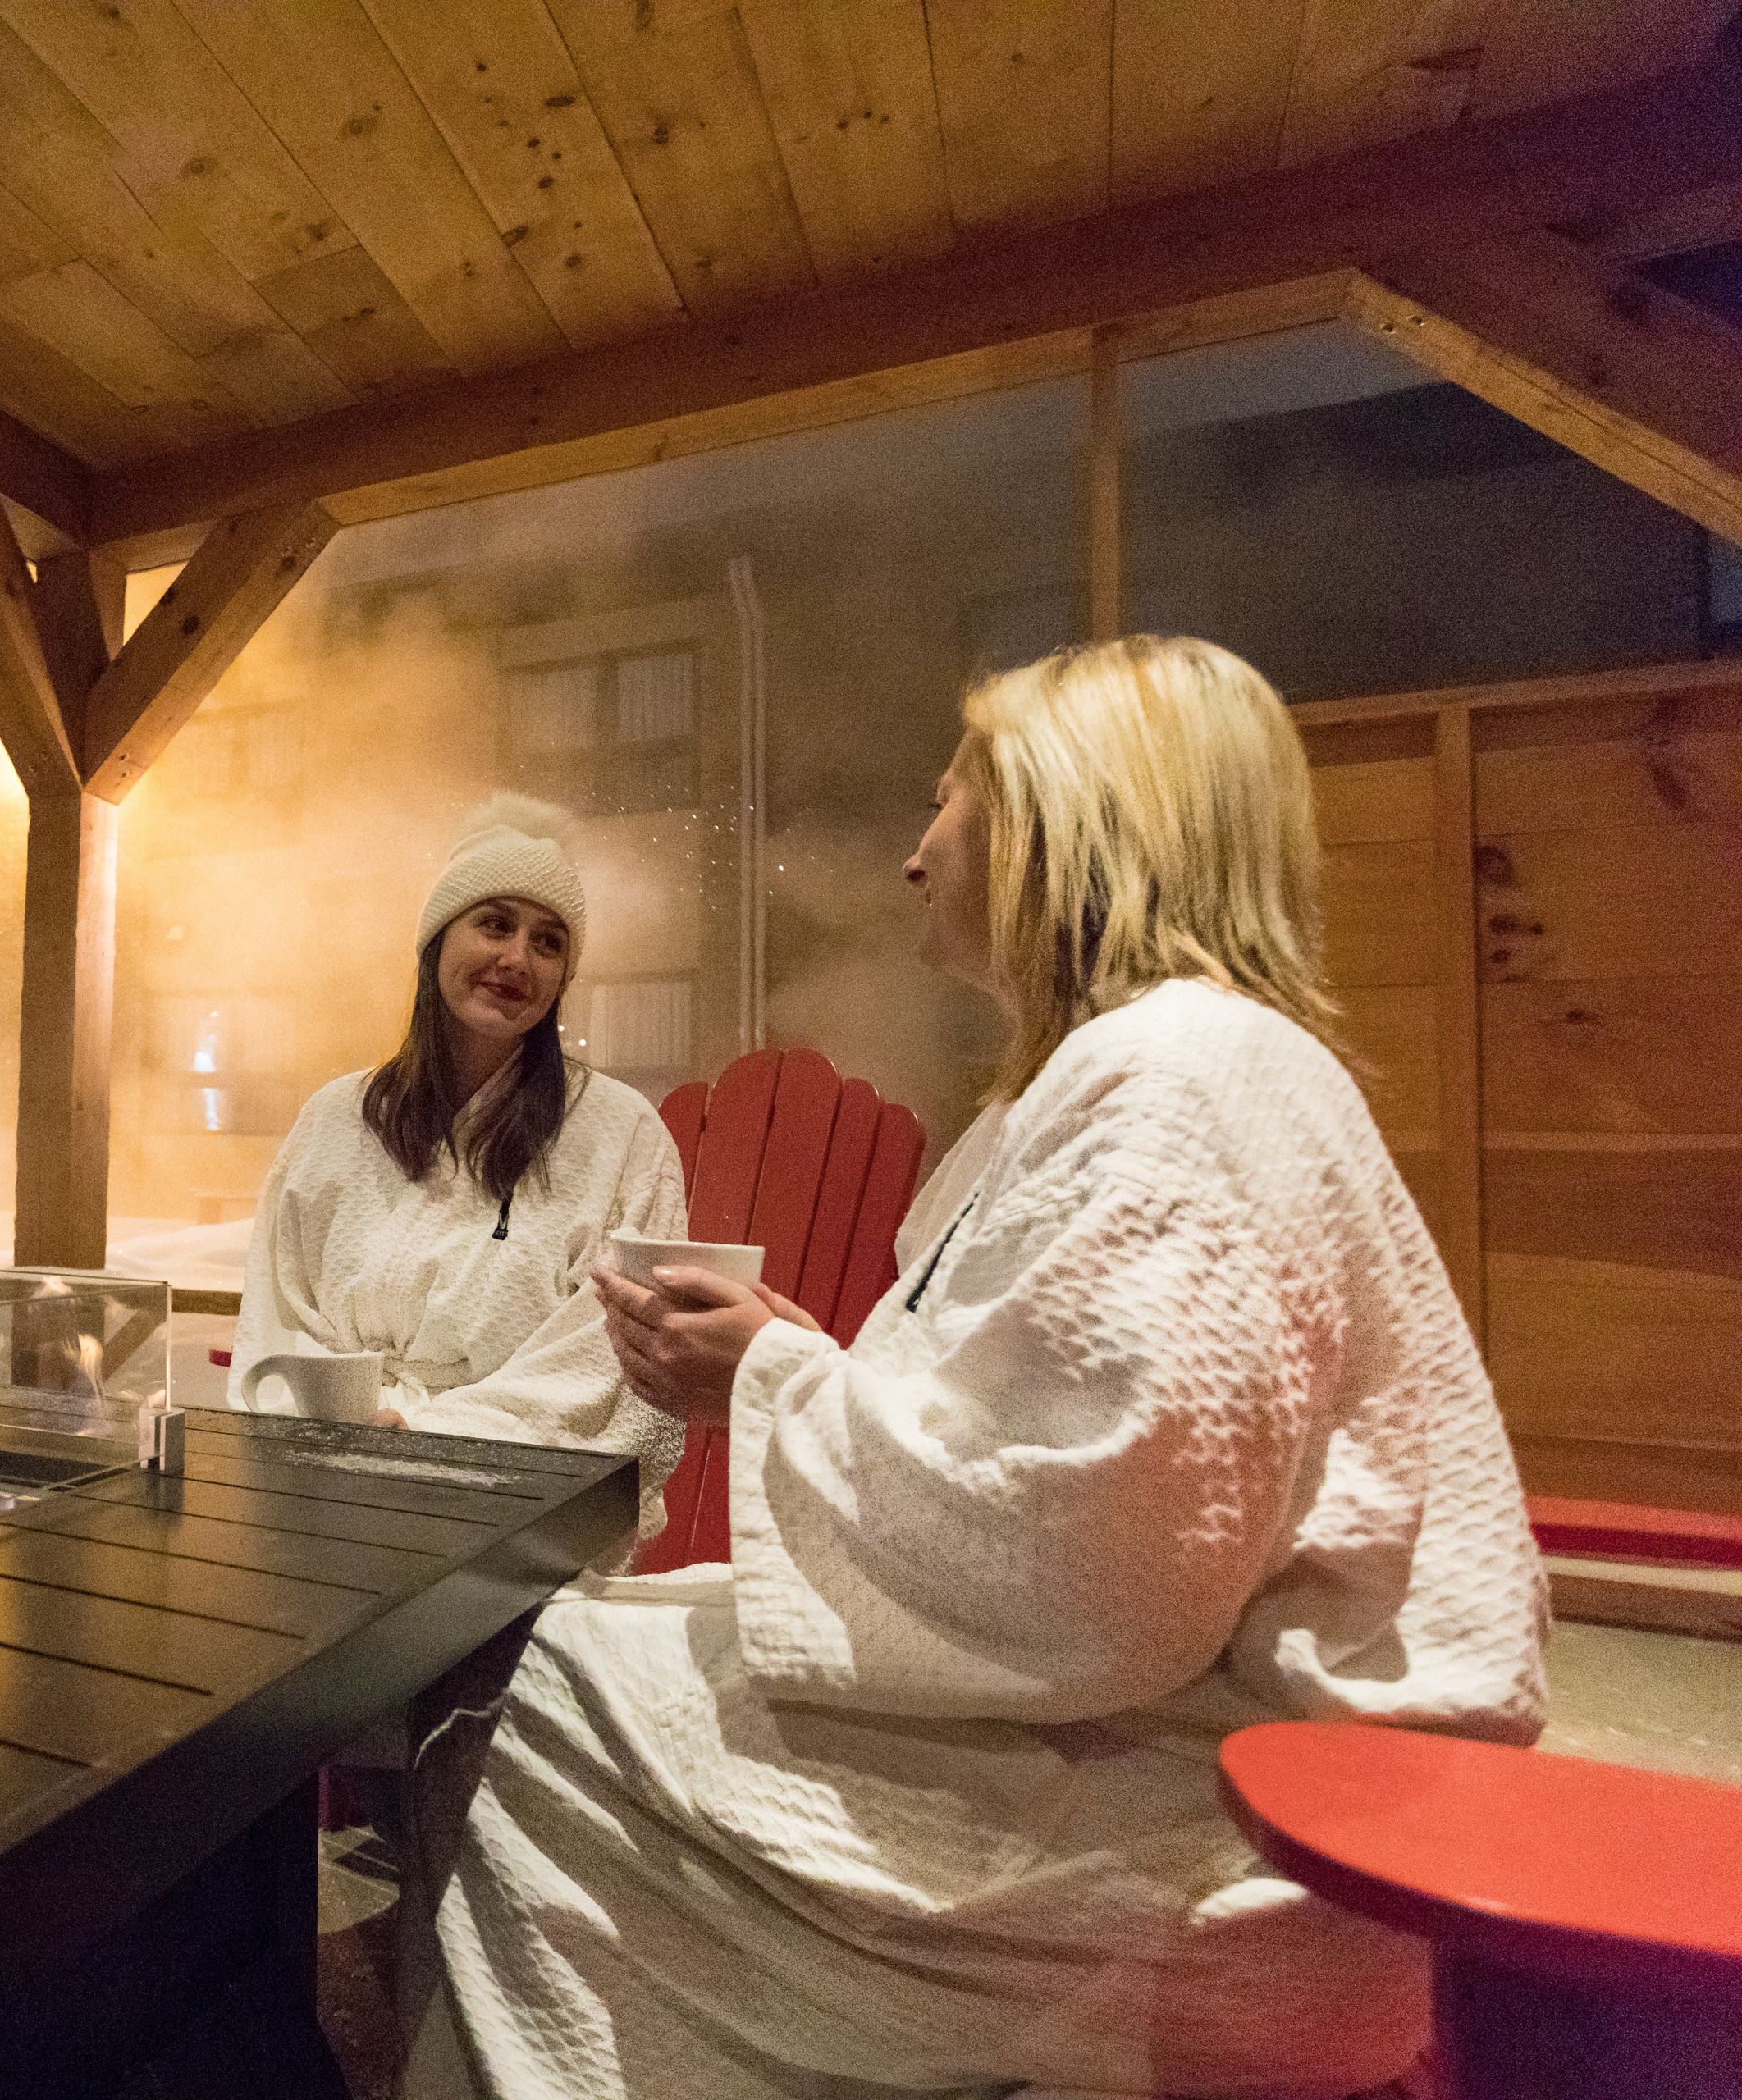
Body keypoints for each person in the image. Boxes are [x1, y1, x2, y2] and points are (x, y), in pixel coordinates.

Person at [417, 638, 1547, 2099]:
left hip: (1266, 1825)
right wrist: (796, 1367)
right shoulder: (1144, 1073)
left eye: (949, 800)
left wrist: (768, 1379)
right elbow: (1051, 1444)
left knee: (507, 1675)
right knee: (601, 1616)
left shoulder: (1178, 1082)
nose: (914, 855)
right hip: (1184, 1726)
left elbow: (1094, 1548)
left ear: (1060, 820)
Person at [231, 795, 688, 1538]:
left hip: (517, 1503)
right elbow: (275, 1318)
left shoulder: (621, 1133)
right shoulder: (335, 1118)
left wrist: (432, 1437)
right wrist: (328, 1428)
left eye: (548, 942)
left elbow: (613, 1357)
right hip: (331, 1484)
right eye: (495, 924)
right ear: (436, 941)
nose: (517, 959)